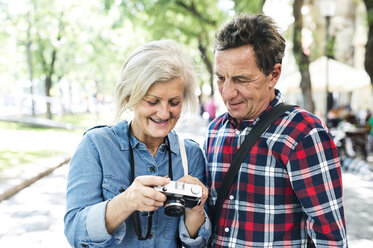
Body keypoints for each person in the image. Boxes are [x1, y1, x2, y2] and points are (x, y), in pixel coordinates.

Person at [205, 14, 348, 247]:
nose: (227, 93)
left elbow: (330, 238)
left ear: (273, 75)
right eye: (221, 78)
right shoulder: (214, 131)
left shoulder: (304, 134)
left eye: (241, 79)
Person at [64, 40, 210, 247]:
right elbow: (75, 233)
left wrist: (195, 210)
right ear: (129, 96)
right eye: (152, 101)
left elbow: (196, 243)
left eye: (174, 102)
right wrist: (127, 201)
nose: (164, 113)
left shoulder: (191, 154)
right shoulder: (96, 146)